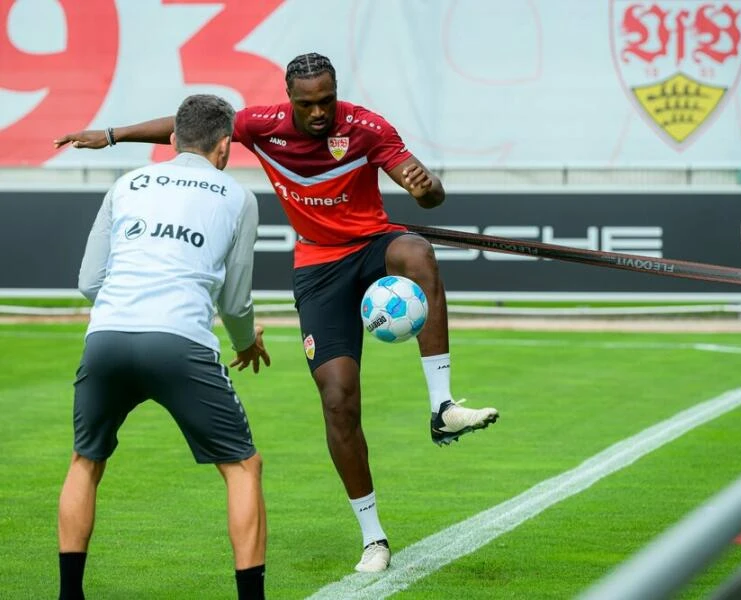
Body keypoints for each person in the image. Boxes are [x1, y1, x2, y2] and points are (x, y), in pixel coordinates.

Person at [54, 52, 499, 574]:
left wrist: (428, 190)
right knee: (338, 400)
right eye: (307, 103)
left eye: (326, 100)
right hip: (318, 267)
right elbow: (185, 127)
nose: (318, 112)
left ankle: (442, 408)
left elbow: (427, 195)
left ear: (337, 92)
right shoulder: (262, 125)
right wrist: (111, 135)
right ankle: (373, 537)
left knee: (418, 251)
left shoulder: (368, 128)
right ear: (291, 99)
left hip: (373, 246)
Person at [56, 94, 269, 600]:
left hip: (106, 337)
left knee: (85, 461)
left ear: (172, 140)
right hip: (179, 342)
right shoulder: (238, 197)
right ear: (224, 148)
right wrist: (246, 342)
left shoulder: (127, 183)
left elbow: (89, 281)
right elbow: (236, 300)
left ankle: (68, 596)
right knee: (242, 467)